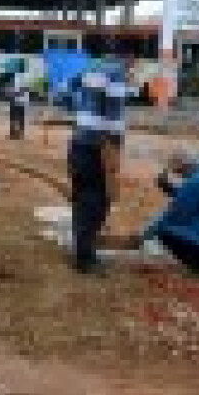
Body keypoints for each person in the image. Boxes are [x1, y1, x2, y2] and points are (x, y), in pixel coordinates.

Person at [131, 148, 199, 273]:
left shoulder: (196, 182)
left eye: (178, 172)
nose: (180, 176)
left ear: (184, 167)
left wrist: (147, 232)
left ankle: (191, 265)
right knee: (161, 223)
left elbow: (175, 216)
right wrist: (169, 188)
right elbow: (190, 197)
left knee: (160, 231)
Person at [67, 69, 124, 274]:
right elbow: (113, 120)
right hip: (97, 149)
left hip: (77, 144)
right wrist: (114, 152)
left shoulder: (87, 71)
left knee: (81, 199)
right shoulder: (115, 75)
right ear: (129, 58)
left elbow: (68, 90)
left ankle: (80, 250)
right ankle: (85, 258)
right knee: (98, 202)